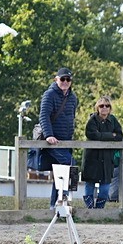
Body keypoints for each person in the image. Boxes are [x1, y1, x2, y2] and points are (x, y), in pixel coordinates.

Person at [39, 67, 79, 210]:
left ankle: (55, 205)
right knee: (70, 164)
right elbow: (44, 116)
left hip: (66, 140)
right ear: (56, 79)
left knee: (60, 172)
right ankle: (65, 199)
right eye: (62, 79)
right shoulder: (49, 95)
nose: (65, 82)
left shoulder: (73, 98)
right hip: (53, 141)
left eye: (68, 79)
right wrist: (49, 135)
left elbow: (71, 117)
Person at [82, 95, 123, 209]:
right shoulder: (92, 120)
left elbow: (119, 135)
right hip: (92, 157)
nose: (104, 108)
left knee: (105, 186)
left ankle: (99, 210)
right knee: (90, 183)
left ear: (110, 108)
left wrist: (103, 136)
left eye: (107, 106)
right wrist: (111, 135)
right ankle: (89, 210)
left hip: (107, 158)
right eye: (101, 106)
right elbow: (92, 134)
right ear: (97, 108)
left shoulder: (113, 120)